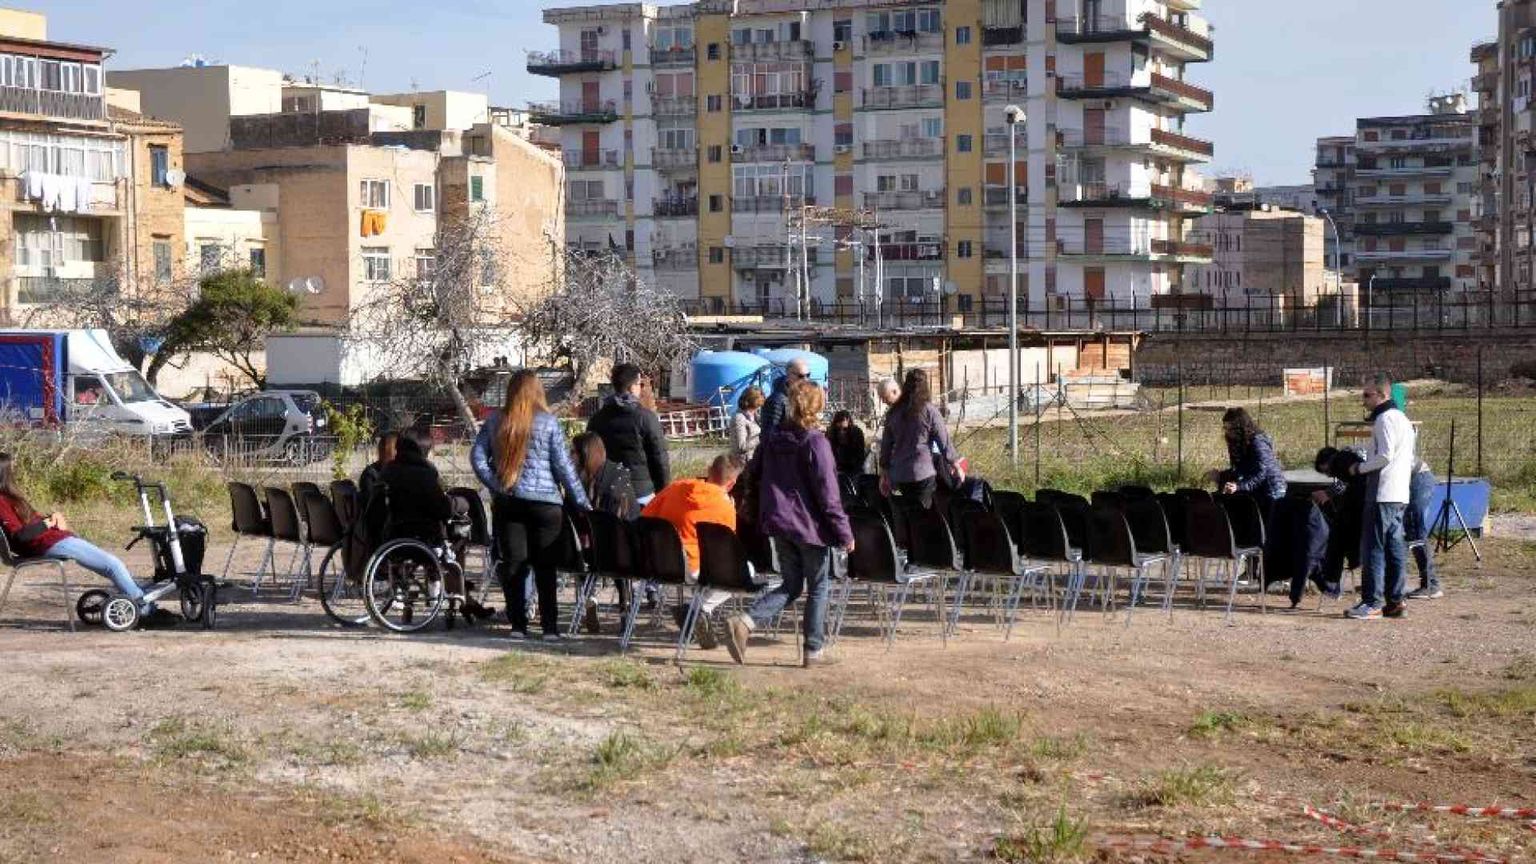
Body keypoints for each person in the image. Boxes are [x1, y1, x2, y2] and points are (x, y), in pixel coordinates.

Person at [727, 381, 854, 668]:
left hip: (779, 522)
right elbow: (828, 494)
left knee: (792, 584)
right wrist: (844, 532)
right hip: (809, 527)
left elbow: (751, 473)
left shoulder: (771, 439)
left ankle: (745, 622)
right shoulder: (815, 442)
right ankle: (813, 650)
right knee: (819, 585)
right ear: (816, 406)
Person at [473, 370, 591, 641]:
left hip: (509, 502)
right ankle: (549, 627)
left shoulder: (496, 421)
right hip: (546, 504)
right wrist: (582, 502)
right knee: (545, 566)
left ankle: (518, 626)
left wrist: (496, 484)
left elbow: (477, 457)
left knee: (514, 564)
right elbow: (563, 467)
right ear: (539, 391)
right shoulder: (548, 423)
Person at [0, 452, 177, 626]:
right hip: (46, 544)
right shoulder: (1, 501)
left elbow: (29, 524)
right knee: (113, 565)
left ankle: (142, 603)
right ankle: (146, 611)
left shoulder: (9, 498)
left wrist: (52, 518)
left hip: (53, 539)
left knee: (112, 567)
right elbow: (20, 536)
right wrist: (48, 522)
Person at [381, 430, 494, 622]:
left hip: (393, 537)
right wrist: (460, 503)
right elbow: (442, 508)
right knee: (458, 538)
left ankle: (464, 596)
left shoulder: (387, 471)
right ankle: (461, 596)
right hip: (424, 538)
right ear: (423, 450)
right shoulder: (425, 473)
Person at [642, 454, 748, 650]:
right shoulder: (724, 507)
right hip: (695, 567)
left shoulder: (675, 487)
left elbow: (645, 517)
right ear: (732, 484)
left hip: (659, 563)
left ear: (708, 470)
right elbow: (726, 550)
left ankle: (695, 612)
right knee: (745, 571)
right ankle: (698, 608)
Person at [1344, 374, 1416, 621]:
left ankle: (1372, 602)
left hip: (1383, 491)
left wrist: (1358, 468)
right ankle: (1396, 602)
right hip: (1399, 493)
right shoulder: (1403, 420)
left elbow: (1385, 456)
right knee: (1395, 547)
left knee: (1373, 548)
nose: (1364, 400)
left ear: (1383, 395)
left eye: (1367, 395)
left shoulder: (1384, 419)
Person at [571, 431, 639, 632]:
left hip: (601, 551)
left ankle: (591, 597)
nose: (570, 456)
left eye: (573, 452)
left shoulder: (581, 482)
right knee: (614, 560)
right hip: (614, 552)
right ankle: (624, 611)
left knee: (584, 553)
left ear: (586, 454)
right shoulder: (616, 476)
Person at [878, 368, 962, 510]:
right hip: (922, 473)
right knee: (923, 518)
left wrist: (884, 472)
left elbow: (885, 446)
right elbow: (944, 441)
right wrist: (955, 464)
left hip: (899, 475)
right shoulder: (929, 410)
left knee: (906, 516)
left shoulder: (893, 412)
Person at [587, 363, 670, 506]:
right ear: (633, 387)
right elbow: (659, 459)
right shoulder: (646, 418)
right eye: (640, 384)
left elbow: (589, 456)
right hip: (641, 493)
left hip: (608, 492)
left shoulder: (597, 419)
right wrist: (663, 491)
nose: (641, 388)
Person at [1208, 407, 1287, 516]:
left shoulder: (1257, 442)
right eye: (1225, 428)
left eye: (1231, 429)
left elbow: (1261, 472)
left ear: (1240, 428)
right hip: (1257, 489)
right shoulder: (1238, 443)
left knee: (1267, 528)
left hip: (1272, 489)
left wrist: (1239, 487)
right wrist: (1221, 476)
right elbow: (1242, 469)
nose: (1227, 433)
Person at [1405, 459, 1442, 600]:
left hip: (1418, 478)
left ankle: (1431, 585)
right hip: (1408, 479)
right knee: (1408, 530)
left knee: (1416, 531)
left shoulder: (1359, 461)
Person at [759, 358, 810, 434]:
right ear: (789, 375)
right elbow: (769, 434)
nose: (806, 380)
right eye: (801, 376)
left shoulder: (803, 396)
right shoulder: (776, 401)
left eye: (808, 375)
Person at [827, 411, 867, 476]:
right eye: (839, 429)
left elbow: (860, 454)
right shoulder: (831, 433)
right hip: (836, 468)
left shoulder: (856, 433)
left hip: (853, 468)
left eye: (845, 429)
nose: (842, 432)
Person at [731, 387, 764, 461]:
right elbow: (741, 446)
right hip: (743, 463)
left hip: (755, 460)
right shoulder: (739, 418)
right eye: (759, 405)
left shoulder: (755, 416)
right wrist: (761, 437)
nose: (759, 408)